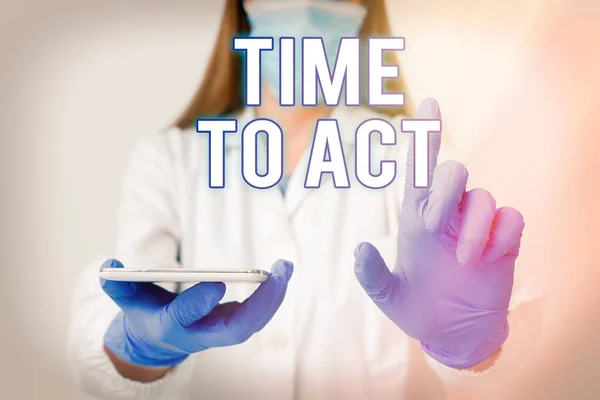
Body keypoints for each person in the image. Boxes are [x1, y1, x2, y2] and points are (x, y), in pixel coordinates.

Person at [67, 0, 540, 399]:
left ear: (362, 11)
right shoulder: (171, 157)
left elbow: (515, 368)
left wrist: (472, 346)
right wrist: (137, 346)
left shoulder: (411, 151)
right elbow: (103, 363)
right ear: (244, 8)